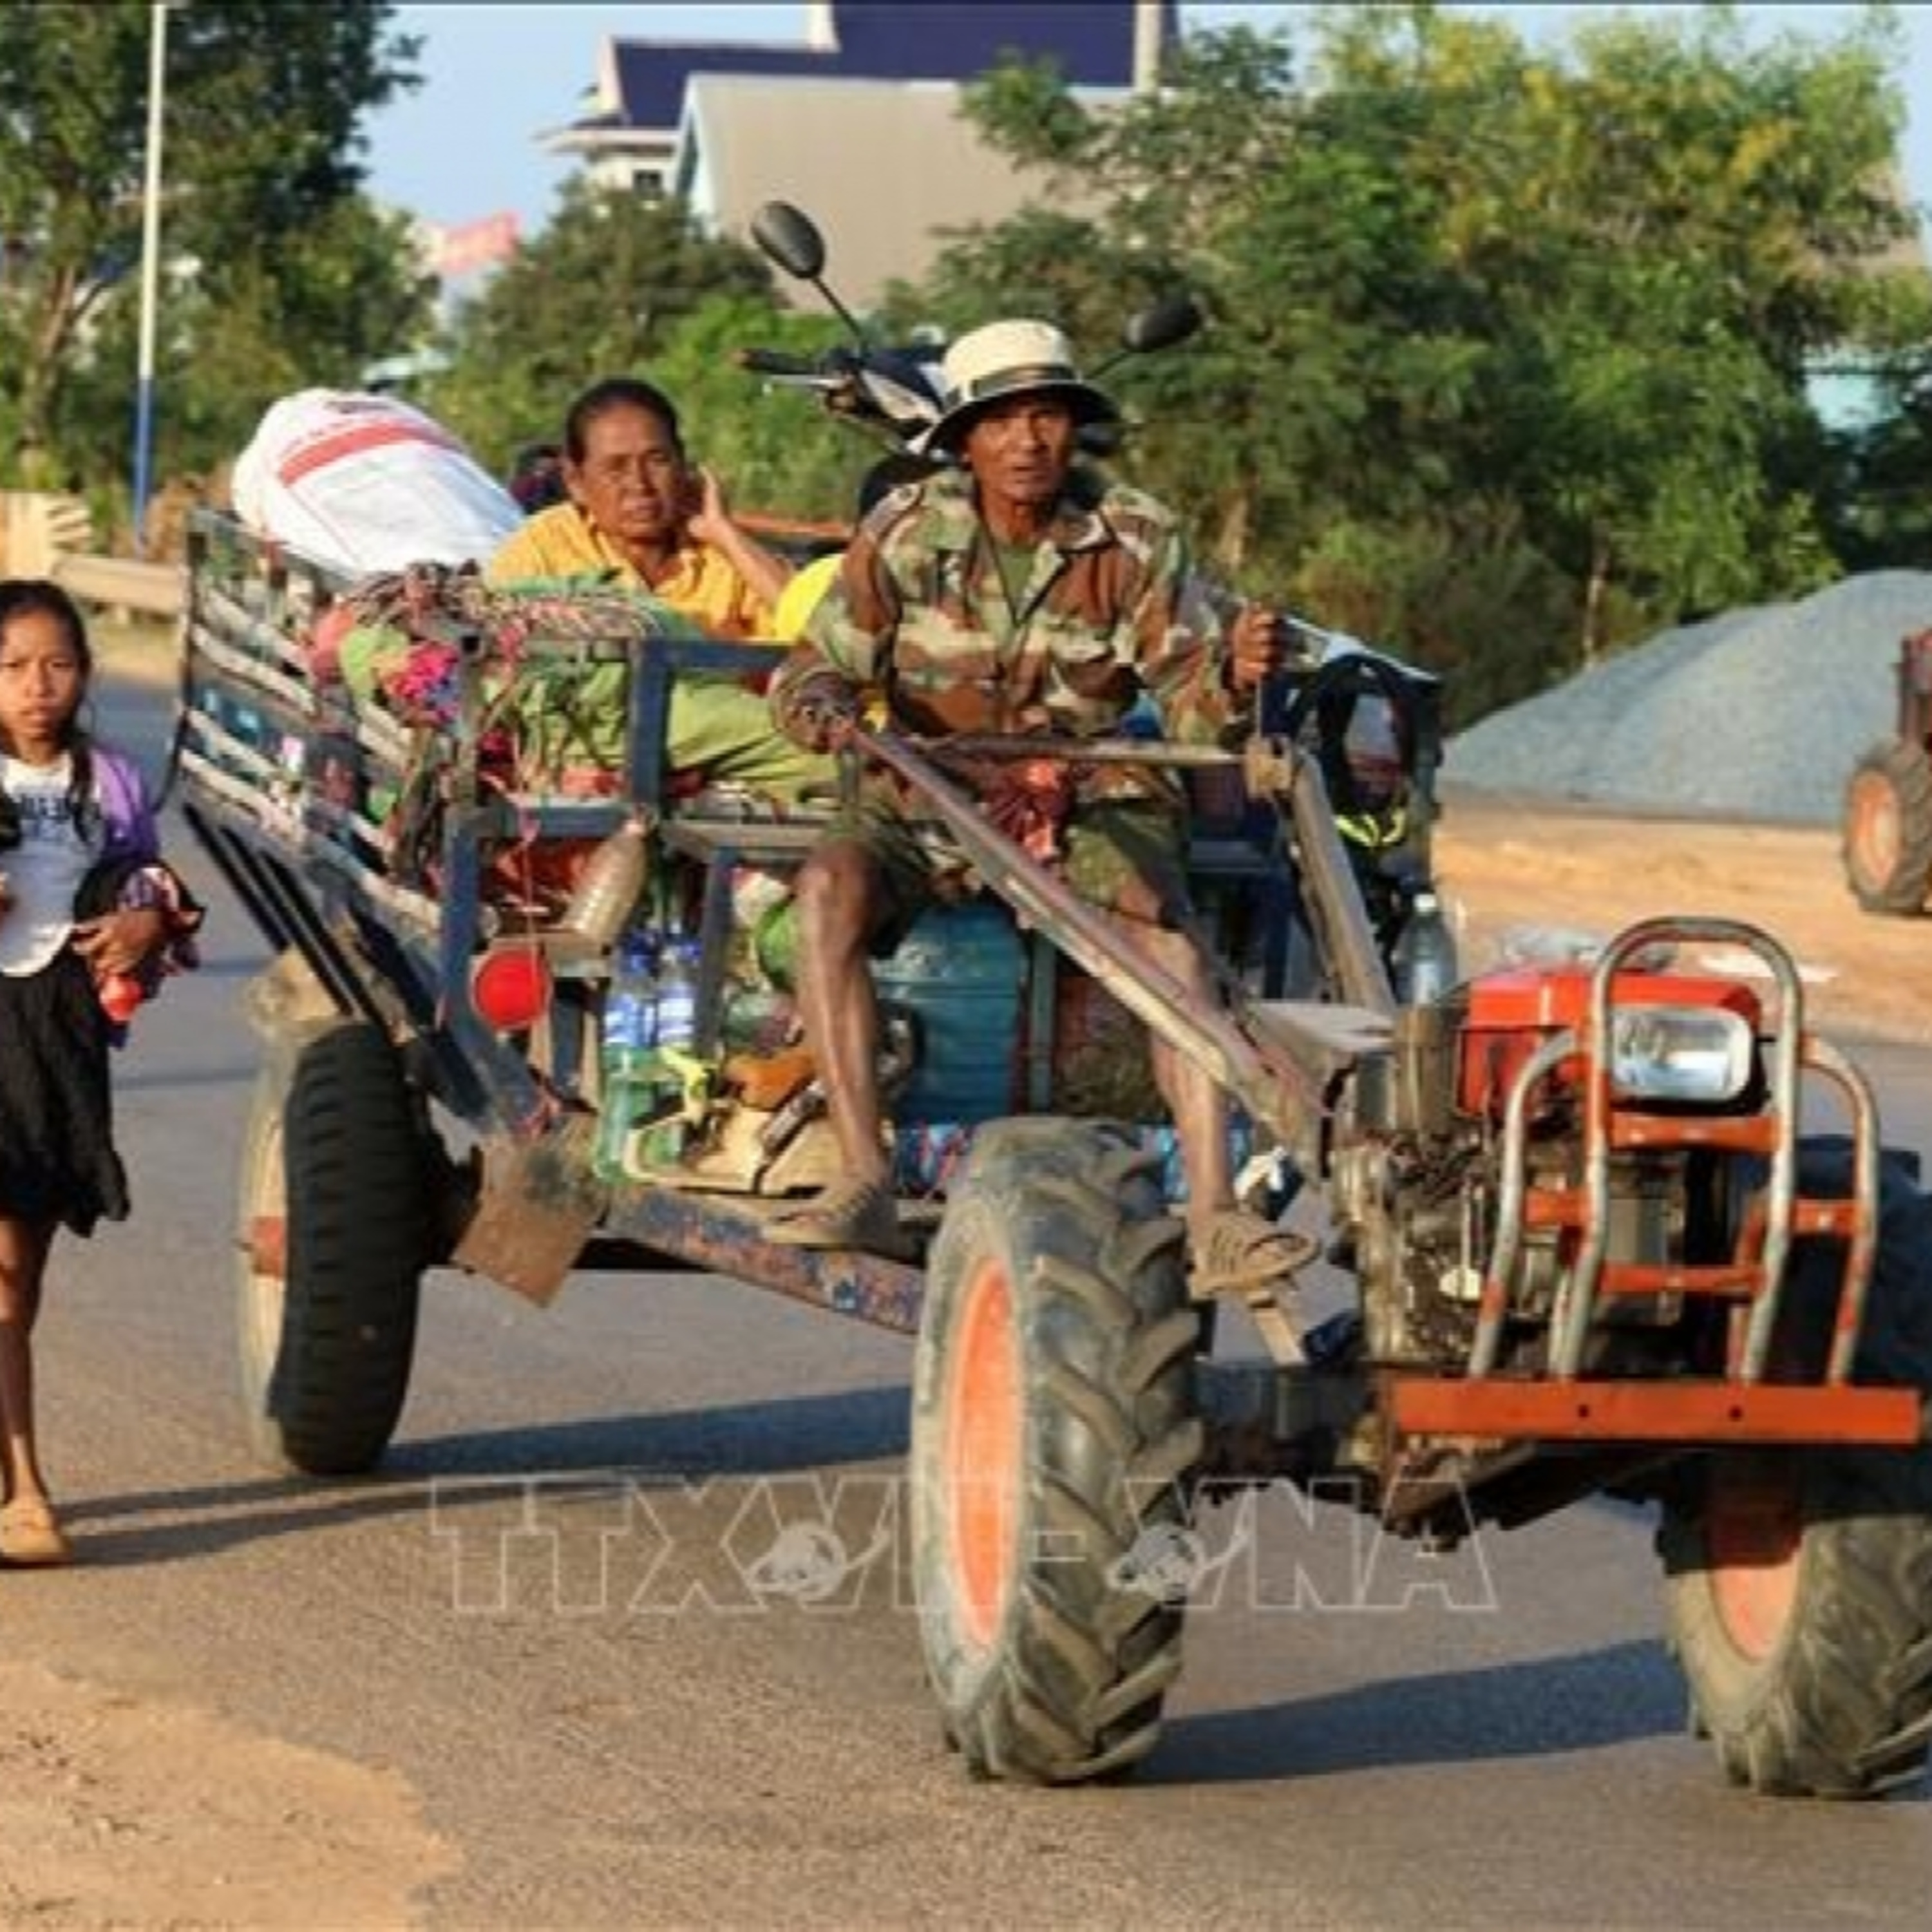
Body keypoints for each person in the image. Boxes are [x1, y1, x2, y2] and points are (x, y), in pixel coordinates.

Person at [763, 317, 1302, 1298]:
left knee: (1167, 936)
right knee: (827, 888)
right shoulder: (906, 528)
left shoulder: (1136, 535)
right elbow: (816, 669)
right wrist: (825, 706)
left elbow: (1189, 697)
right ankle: (864, 1176)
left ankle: (1218, 1215)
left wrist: (1235, 672)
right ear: (964, 438)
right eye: (1002, 420)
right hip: (927, 784)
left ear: (1073, 429)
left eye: (1047, 415)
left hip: (1088, 786)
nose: (1027, 441)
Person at [0, 580, 201, 1566]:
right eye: (13, 667)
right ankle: (28, 1495)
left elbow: (156, 887)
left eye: (59, 664)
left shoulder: (111, 783)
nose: (39, 685)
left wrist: (145, 922)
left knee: (22, 1279)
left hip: (58, 1037)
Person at [486, 375, 828, 802]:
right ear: (575, 481)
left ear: (685, 467)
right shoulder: (544, 546)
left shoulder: (723, 554)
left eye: (658, 460)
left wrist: (724, 533)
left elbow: (823, 630)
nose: (640, 484)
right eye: (615, 468)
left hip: (738, 777)